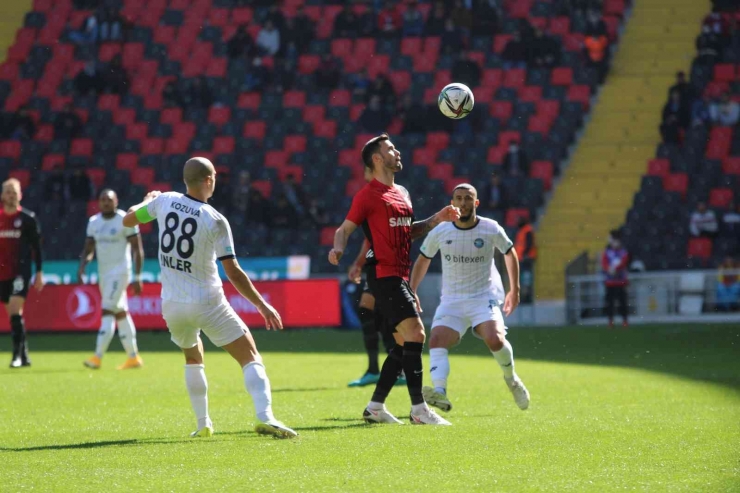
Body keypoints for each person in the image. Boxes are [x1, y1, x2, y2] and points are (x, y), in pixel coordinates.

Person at [122, 157, 296, 438]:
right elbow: (234, 272)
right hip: (207, 302)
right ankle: (266, 416)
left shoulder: (164, 200)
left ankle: (203, 424)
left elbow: (128, 220)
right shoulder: (215, 219)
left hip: (172, 305)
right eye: (214, 176)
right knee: (250, 356)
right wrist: (262, 305)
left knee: (192, 357)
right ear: (207, 180)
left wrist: (145, 202)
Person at [328, 133, 461, 425]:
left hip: (399, 274)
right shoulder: (367, 195)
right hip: (382, 274)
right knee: (416, 334)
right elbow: (344, 229)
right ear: (377, 159)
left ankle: (375, 407)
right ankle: (419, 410)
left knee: (403, 344)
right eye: (390, 149)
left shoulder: (402, 192)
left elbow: (407, 231)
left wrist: (437, 218)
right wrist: (338, 248)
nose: (397, 152)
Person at [409, 184, 529, 412]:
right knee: (436, 340)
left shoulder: (490, 228)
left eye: (468, 198)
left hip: (482, 297)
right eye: (458, 198)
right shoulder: (441, 230)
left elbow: (509, 252)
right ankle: (440, 392)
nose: (463, 203)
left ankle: (511, 379)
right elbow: (423, 258)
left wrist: (515, 289)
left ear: (476, 203)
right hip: (452, 300)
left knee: (495, 339)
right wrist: (412, 289)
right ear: (452, 203)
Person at [346, 166, 404, 387]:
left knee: (378, 314)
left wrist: (358, 264)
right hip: (376, 264)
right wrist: (359, 264)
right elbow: (368, 239)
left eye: (367, 171)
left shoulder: (385, 197)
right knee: (372, 313)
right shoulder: (372, 196)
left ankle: (391, 370)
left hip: (387, 265)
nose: (365, 176)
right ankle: (378, 369)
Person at [78, 189, 145, 370]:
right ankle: (133, 357)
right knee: (120, 312)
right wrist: (83, 265)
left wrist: (137, 276)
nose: (106, 202)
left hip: (121, 272)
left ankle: (97, 357)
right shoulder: (94, 222)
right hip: (104, 274)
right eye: (102, 200)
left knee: (107, 310)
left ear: (116, 201)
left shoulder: (126, 220)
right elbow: (89, 247)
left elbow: (137, 249)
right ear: (98, 202)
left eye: (109, 199)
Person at [0, 178, 44, 368]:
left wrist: (39, 272)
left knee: (16, 310)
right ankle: (24, 355)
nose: (11, 195)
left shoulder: (27, 219)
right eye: (7, 191)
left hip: (21, 272)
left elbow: (37, 248)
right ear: (2, 195)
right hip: (2, 273)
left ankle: (16, 356)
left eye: (14, 191)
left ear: (20, 195)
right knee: (13, 315)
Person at [601, 230, 629, 328]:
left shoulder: (623, 252)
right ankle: (610, 321)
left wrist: (615, 269)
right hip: (610, 282)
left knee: (623, 302)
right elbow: (604, 263)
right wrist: (608, 269)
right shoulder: (607, 252)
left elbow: (624, 262)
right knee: (610, 303)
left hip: (621, 281)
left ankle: (625, 320)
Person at [514, 216, 536, 304]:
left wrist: (524, 255)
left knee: (526, 278)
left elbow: (529, 244)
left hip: (526, 258)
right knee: (524, 278)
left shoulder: (527, 230)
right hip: (522, 258)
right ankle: (524, 297)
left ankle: (527, 297)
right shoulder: (523, 231)